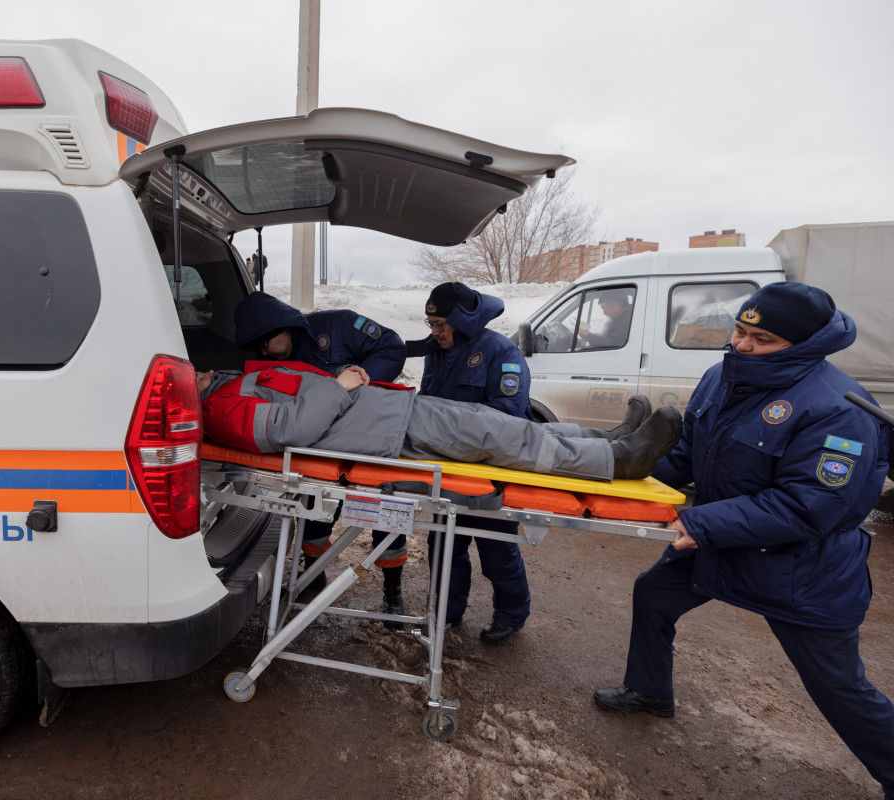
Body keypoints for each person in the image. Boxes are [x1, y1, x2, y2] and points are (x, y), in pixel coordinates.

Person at [592, 282, 894, 800]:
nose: (743, 345)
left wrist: (703, 524)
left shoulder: (840, 408)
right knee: (655, 594)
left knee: (839, 687)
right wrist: (621, 470)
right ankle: (648, 691)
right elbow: (687, 454)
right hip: (727, 542)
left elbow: (810, 507)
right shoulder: (721, 377)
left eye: (762, 338)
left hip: (803, 568)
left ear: (803, 344)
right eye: (739, 330)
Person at [413, 283, 650, 645]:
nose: (435, 331)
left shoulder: (500, 351)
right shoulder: (437, 352)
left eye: (442, 323)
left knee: (496, 547)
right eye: (430, 323)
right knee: (443, 544)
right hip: (450, 469)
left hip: (491, 469)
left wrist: (453, 425)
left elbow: (508, 417)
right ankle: (446, 610)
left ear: (463, 321)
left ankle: (511, 614)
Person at [197, 362, 680, 482]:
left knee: (499, 424)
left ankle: (605, 438)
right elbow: (291, 431)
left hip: (393, 411)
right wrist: (339, 384)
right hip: (387, 430)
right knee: (499, 435)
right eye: (188, 370)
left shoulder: (232, 382)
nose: (195, 368)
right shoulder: (220, 408)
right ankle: (619, 461)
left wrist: (343, 384)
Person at [234, 291, 410, 617]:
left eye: (264, 343)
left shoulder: (338, 325)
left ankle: (392, 589)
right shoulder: (272, 362)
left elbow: (393, 347)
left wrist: (363, 389)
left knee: (387, 507)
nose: (262, 352)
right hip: (322, 442)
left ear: (282, 325)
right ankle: (314, 573)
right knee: (313, 509)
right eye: (256, 348)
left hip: (369, 429)